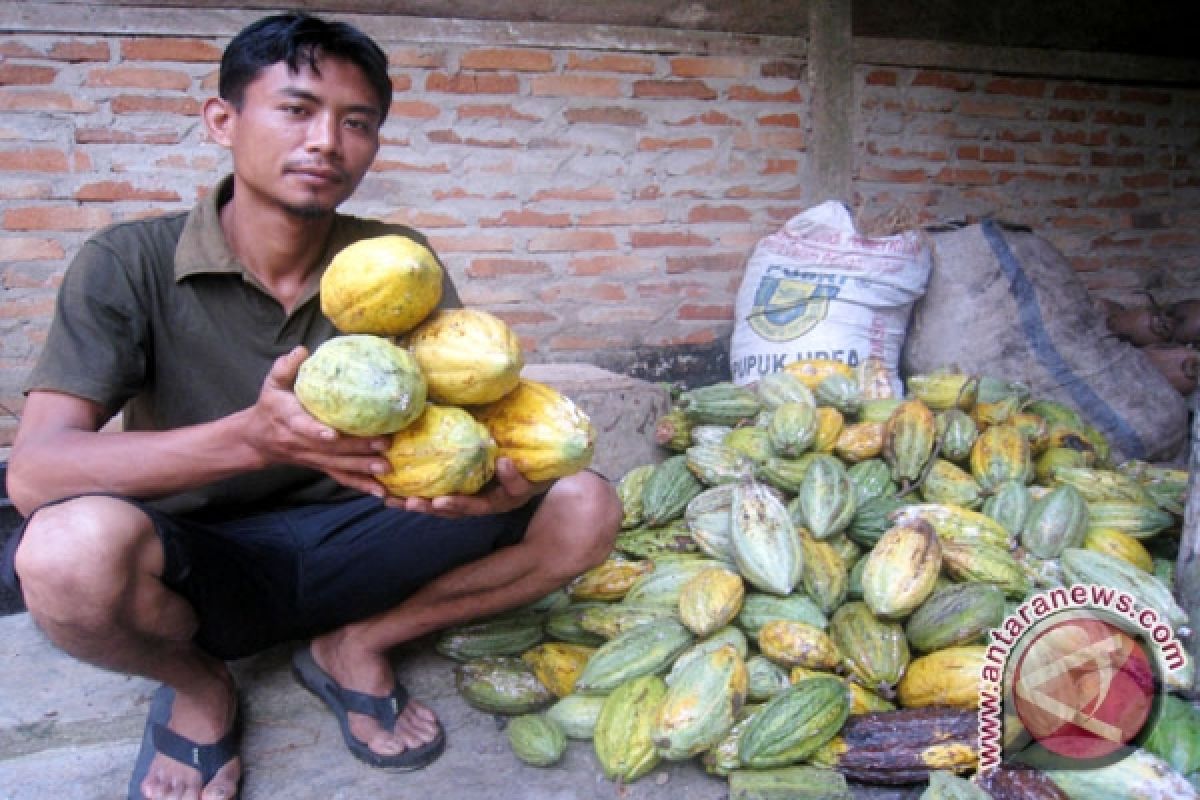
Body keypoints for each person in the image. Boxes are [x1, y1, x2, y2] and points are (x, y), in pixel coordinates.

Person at [1, 12, 620, 800]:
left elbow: (473, 422)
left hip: (367, 528)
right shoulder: (128, 262)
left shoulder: (399, 263)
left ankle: (358, 643)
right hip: (201, 553)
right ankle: (199, 686)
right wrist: (256, 439)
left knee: (587, 504)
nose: (327, 140)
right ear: (222, 120)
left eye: (356, 122)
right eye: (297, 109)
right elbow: (36, 474)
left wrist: (495, 487)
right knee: (60, 551)